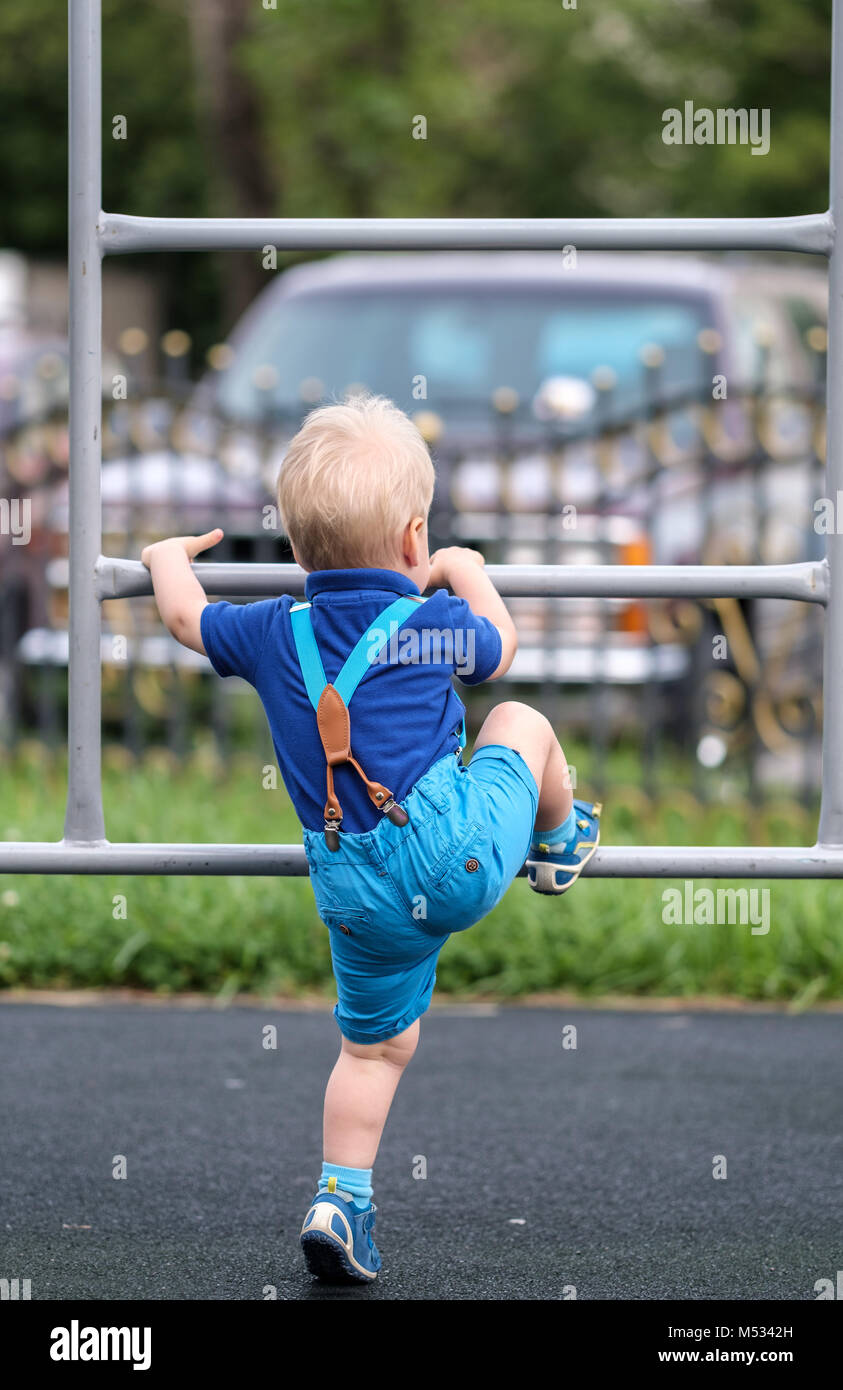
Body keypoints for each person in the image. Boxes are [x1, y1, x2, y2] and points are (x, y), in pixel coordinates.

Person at [141, 393, 601, 1285]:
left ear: (297, 546)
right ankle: (560, 833)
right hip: (452, 854)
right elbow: (499, 647)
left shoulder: (276, 631)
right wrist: (463, 571)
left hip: (349, 887)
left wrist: (165, 557)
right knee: (519, 717)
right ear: (410, 540)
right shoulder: (428, 627)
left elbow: (185, 619)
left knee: (372, 1049)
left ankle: (339, 1197)